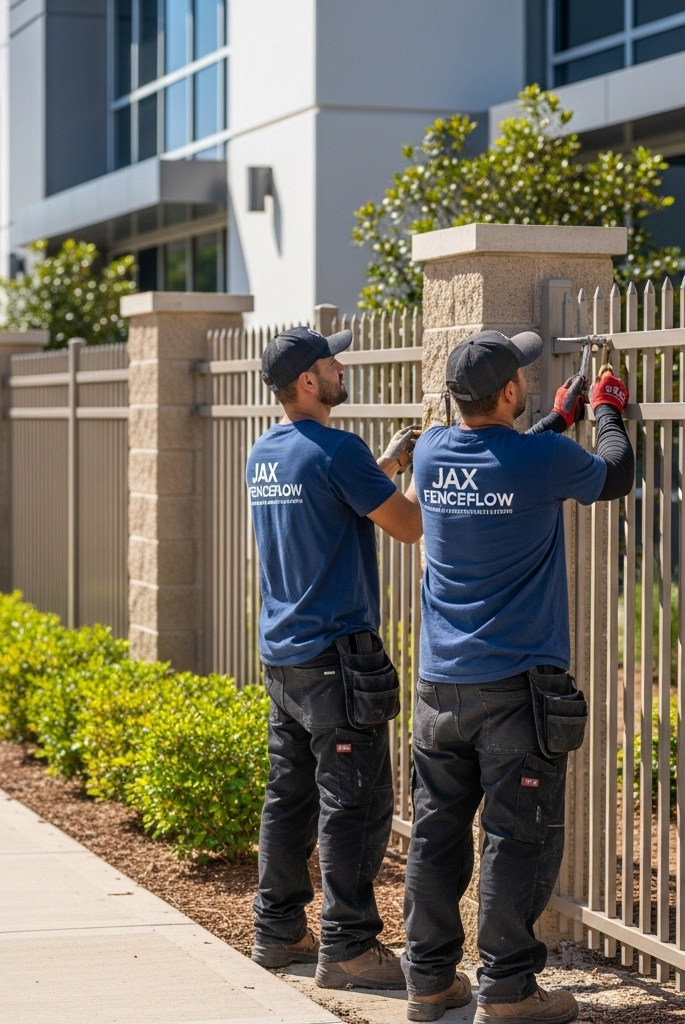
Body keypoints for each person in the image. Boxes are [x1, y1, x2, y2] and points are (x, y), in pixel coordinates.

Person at [402, 330, 634, 1024]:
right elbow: (616, 474)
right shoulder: (542, 459)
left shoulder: (434, 449)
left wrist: (556, 419)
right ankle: (506, 992)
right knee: (514, 835)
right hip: (514, 691)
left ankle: (430, 982)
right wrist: (605, 409)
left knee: (437, 832)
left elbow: (495, 461)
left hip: (439, 686)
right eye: (521, 379)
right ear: (508, 393)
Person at [247, 324, 423, 992]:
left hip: (285, 655)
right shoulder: (337, 450)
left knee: (289, 799)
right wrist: (429, 470)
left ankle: (280, 931)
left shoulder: (265, 453)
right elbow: (406, 528)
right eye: (332, 360)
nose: (343, 364)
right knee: (357, 804)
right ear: (308, 382)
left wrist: (383, 467)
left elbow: (325, 496)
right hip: (337, 659)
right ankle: (349, 947)